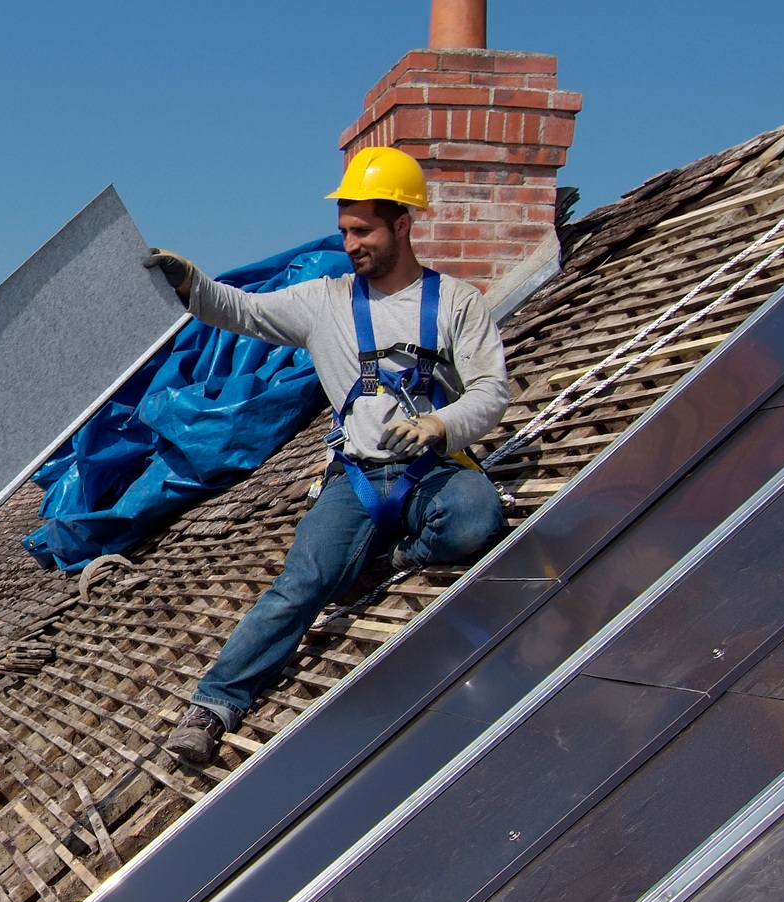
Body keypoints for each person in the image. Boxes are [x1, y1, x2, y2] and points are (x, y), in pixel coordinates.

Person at [145, 147, 511, 766]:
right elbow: (243, 310)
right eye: (344, 230)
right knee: (303, 582)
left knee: (479, 516)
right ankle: (215, 703)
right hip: (358, 478)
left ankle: (392, 558)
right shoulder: (326, 303)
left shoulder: (456, 304)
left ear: (403, 224)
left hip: (433, 471)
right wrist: (189, 283)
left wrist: (440, 424)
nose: (350, 244)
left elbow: (491, 392)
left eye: (362, 230)